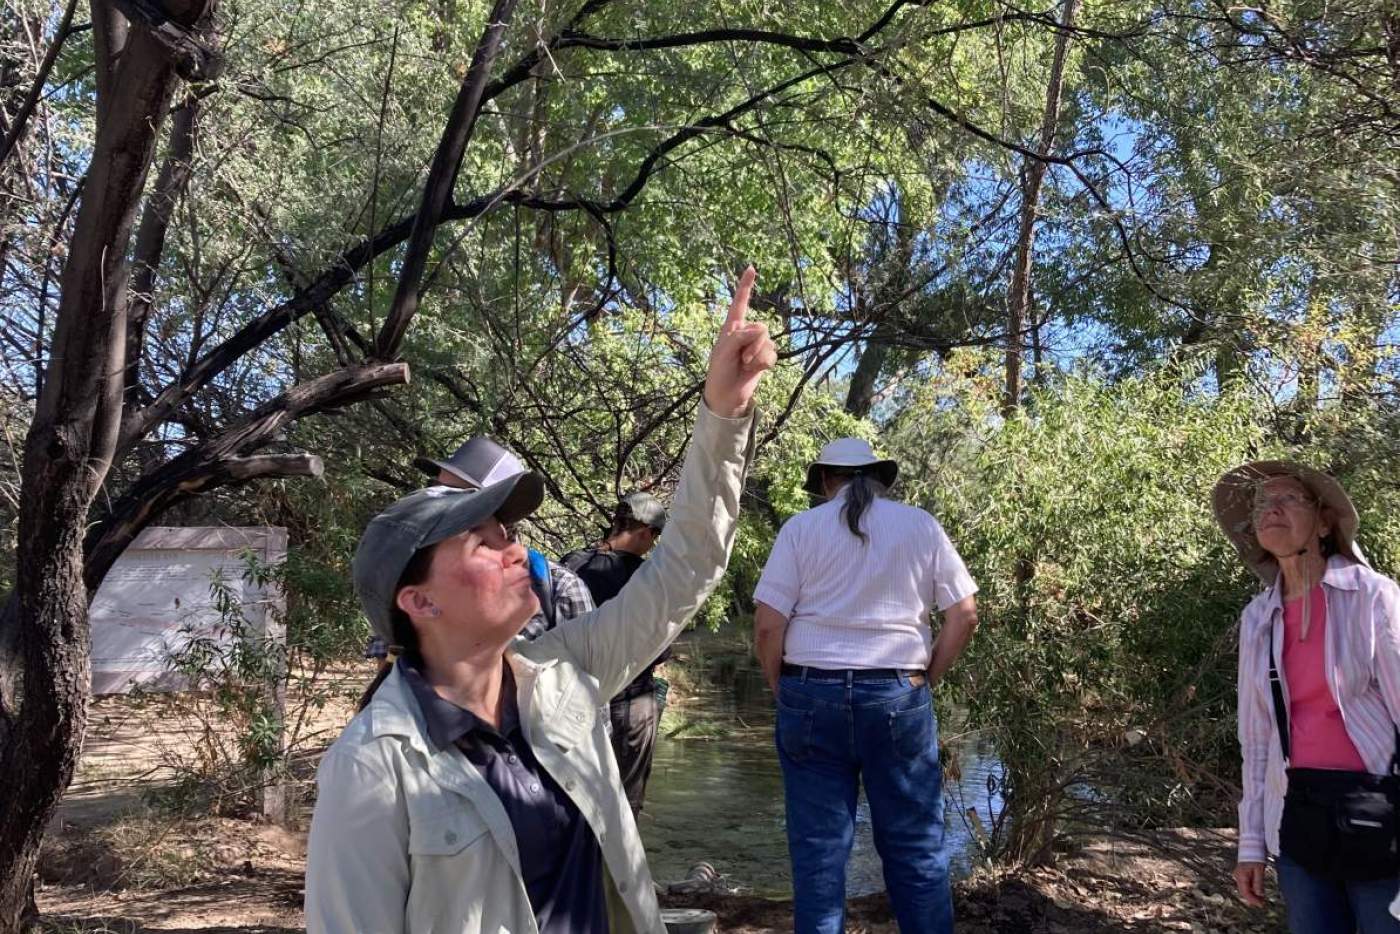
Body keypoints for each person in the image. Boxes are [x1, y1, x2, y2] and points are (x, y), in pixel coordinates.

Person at [304, 266, 774, 934]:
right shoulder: (373, 767)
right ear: (419, 602)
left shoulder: (562, 679)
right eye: (482, 541)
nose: (517, 551)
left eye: (509, 532)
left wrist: (724, 411)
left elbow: (686, 566)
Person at [752, 438, 979, 934]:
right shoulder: (920, 525)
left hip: (811, 694)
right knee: (916, 847)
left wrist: (781, 688)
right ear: (878, 478)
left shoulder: (800, 529)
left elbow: (768, 626)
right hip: (898, 695)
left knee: (819, 854)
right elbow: (964, 615)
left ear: (827, 482)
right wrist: (924, 681)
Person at [1216, 461, 1400, 933]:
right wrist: (1251, 845)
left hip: (1382, 817)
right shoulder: (1260, 618)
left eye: (1287, 499)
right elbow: (1256, 740)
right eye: (1261, 503)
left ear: (1323, 522)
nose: (1270, 509)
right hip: (1299, 821)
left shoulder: (1373, 598)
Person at [415, 435, 594, 640]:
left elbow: (588, 667)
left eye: (453, 493)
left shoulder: (560, 589)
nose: (435, 499)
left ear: (501, 511)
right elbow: (389, 665)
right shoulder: (414, 573)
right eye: (434, 486)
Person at [562, 492, 670, 815]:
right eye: (654, 537)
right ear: (645, 532)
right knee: (623, 808)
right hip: (629, 701)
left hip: (570, 697)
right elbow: (659, 650)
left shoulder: (571, 563)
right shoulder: (648, 578)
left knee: (574, 800)